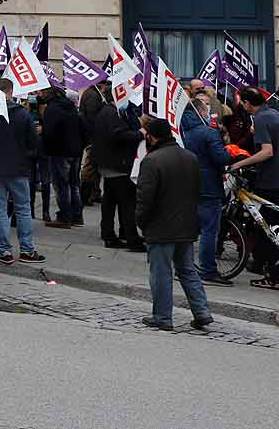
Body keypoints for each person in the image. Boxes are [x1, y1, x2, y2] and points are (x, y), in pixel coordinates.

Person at [135, 118, 213, 331]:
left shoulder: (152, 161)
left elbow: (145, 198)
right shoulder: (190, 157)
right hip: (186, 223)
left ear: (151, 136)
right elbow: (197, 191)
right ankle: (202, 312)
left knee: (161, 273)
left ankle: (162, 317)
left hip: (161, 226)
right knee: (187, 270)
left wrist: (141, 222)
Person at [229, 87, 279, 291]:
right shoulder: (275, 115)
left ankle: (277, 277)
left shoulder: (260, 119)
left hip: (272, 182)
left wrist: (240, 164)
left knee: (271, 229)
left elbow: (267, 152)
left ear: (247, 103)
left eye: (242, 103)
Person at [0, 79, 44, 265]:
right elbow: (34, 145)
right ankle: (27, 249)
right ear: (11, 91)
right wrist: (26, 160)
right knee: (23, 209)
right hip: (18, 169)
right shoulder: (24, 114)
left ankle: (5, 250)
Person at [181, 91, 233, 285]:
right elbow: (220, 157)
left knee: (188, 229)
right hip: (208, 185)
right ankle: (208, 270)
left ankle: (183, 267)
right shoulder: (208, 132)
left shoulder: (181, 130)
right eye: (206, 109)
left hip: (187, 183)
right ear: (201, 111)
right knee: (210, 230)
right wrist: (232, 154)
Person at [90, 83, 145, 251]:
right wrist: (139, 134)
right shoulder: (112, 114)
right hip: (118, 164)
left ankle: (110, 234)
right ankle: (131, 238)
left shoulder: (107, 112)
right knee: (127, 202)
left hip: (110, 164)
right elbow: (118, 135)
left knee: (110, 201)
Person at [39, 86, 83, 227]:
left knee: (61, 185)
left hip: (59, 151)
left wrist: (43, 136)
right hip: (75, 151)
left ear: (49, 94)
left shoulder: (52, 109)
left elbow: (50, 132)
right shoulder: (70, 107)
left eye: (43, 92)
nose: (41, 94)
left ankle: (64, 217)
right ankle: (77, 216)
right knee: (73, 184)